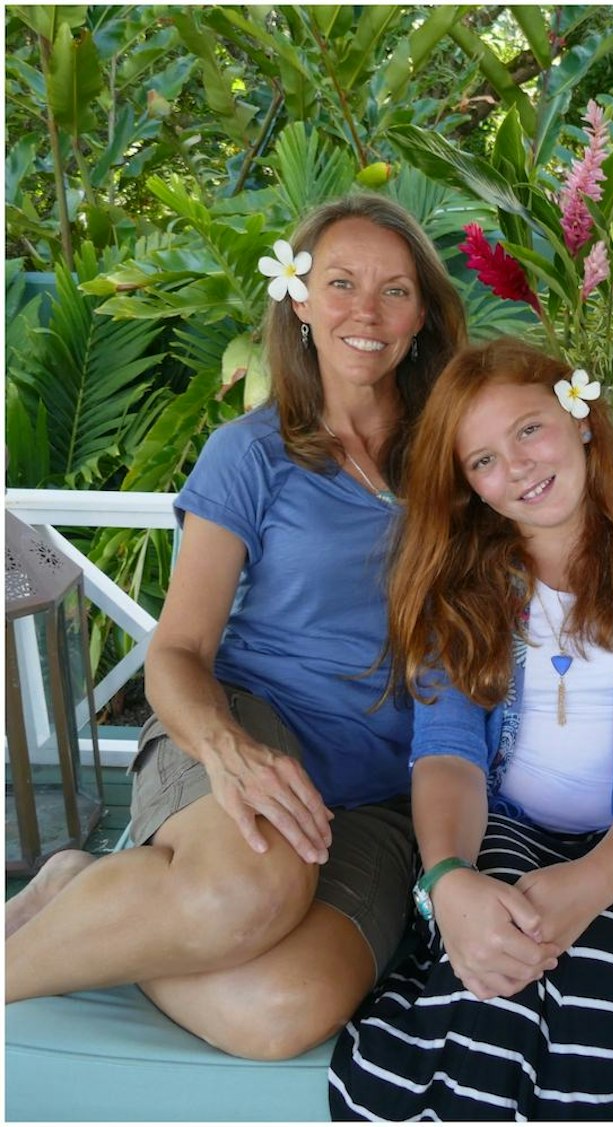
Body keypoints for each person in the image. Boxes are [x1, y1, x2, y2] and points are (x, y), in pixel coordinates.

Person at [4, 194, 466, 1058]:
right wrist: (225, 748)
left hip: (383, 796)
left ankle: (98, 893)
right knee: (243, 896)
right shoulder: (253, 452)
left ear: (422, 315)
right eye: (340, 283)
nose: (365, 312)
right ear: (298, 299)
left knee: (278, 1010)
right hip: (248, 720)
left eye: (394, 290)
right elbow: (178, 650)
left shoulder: (458, 452)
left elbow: (575, 454)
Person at [327, 338, 613, 1118]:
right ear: (470, 488)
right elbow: (447, 751)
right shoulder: (468, 576)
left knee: (595, 1006)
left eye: (527, 430)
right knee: (490, 987)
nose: (514, 468)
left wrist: (594, 880)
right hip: (506, 824)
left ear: (581, 418)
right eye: (481, 461)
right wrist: (447, 879)